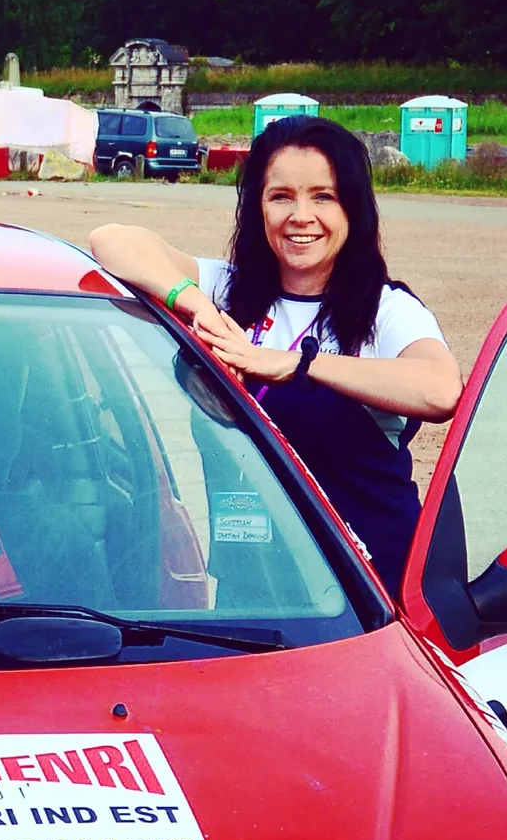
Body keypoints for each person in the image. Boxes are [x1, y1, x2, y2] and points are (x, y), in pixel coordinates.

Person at [87, 115, 461, 588]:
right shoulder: (226, 290)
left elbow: (440, 390)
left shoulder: (388, 310)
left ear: (354, 210)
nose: (300, 216)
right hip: (252, 589)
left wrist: (297, 365)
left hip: (368, 593)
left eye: (323, 196)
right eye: (281, 196)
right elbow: (111, 240)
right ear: (258, 208)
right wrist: (201, 308)